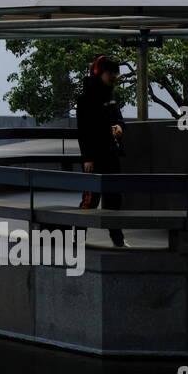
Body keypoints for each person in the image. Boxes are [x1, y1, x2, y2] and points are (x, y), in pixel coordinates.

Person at [76, 54, 127, 247]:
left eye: (115, 73)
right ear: (99, 72)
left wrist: (120, 127)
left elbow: (118, 118)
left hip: (112, 155)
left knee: (114, 200)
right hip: (95, 158)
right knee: (90, 201)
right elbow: (83, 131)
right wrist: (87, 158)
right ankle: (79, 239)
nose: (114, 76)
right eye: (110, 73)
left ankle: (118, 239)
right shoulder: (86, 98)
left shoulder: (111, 96)